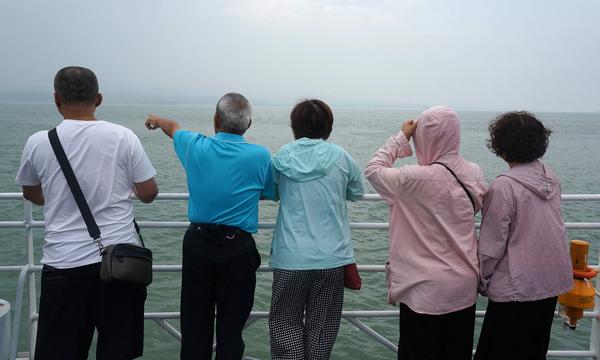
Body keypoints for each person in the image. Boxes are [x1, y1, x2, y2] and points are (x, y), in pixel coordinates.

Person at [16, 66, 158, 359]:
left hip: (63, 265)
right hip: (120, 263)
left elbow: (31, 192)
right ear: (99, 98)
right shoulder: (123, 136)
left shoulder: (39, 142)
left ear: (56, 99)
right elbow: (149, 193)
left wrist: (57, 197)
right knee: (118, 351)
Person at [145, 93, 274, 360]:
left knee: (194, 325)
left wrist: (156, 120)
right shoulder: (260, 155)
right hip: (238, 248)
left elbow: (174, 128)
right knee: (231, 329)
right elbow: (269, 191)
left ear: (215, 120)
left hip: (198, 245)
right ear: (248, 124)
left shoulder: (194, 145)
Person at [365, 106, 487, 360]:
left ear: (424, 137)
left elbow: (374, 169)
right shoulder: (474, 172)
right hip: (463, 287)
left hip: (423, 291)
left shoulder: (410, 179)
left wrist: (401, 137)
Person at [267, 99, 364, 360]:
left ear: (294, 127)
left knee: (284, 324)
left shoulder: (281, 158)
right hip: (332, 258)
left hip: (290, 258)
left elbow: (271, 191)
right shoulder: (342, 157)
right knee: (322, 328)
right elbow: (357, 192)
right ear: (328, 127)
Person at [474, 111, 572, 360]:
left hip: (516, 287)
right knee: (533, 350)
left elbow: (491, 245)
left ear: (502, 147)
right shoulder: (551, 177)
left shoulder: (504, 186)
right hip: (550, 282)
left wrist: (480, 278)